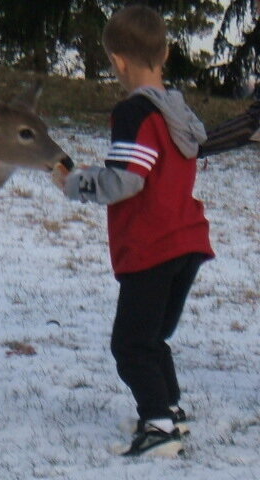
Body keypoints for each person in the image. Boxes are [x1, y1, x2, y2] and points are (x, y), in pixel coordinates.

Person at [52, 5, 259, 458]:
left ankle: (159, 427)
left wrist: (75, 182)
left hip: (151, 246)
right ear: (164, 53)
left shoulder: (134, 114)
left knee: (130, 344)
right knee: (151, 339)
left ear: (118, 60)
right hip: (187, 242)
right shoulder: (178, 111)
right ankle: (170, 411)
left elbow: (127, 179)